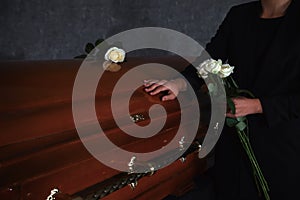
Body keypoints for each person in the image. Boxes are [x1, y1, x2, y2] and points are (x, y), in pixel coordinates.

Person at [144, 0, 300, 199]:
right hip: (235, 139)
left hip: (284, 143)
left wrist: (258, 106)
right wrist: (181, 83)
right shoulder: (239, 14)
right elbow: (209, 58)